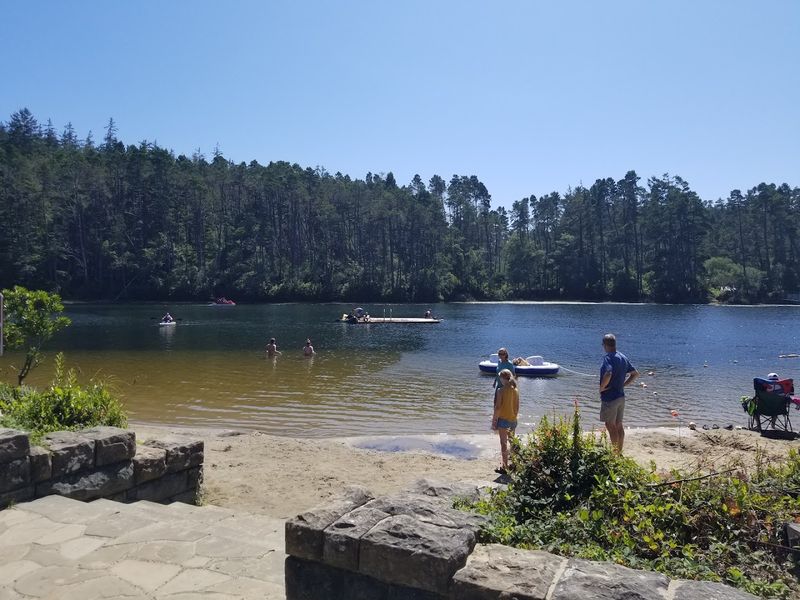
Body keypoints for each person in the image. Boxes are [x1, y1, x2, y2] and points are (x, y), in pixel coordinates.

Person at [599, 333, 639, 453]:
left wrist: (602, 387)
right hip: (621, 397)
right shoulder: (623, 357)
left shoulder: (608, 358)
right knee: (618, 425)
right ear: (614, 344)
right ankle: (619, 452)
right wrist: (624, 384)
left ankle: (615, 453)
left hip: (610, 398)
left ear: (605, 345)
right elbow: (635, 373)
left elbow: (608, 373)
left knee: (610, 426)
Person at [492, 369, 519, 475]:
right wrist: (513, 417)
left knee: (503, 443)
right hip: (513, 419)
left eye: (500, 378)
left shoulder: (500, 391)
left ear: (503, 379)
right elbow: (517, 408)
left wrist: (494, 421)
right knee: (512, 442)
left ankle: (505, 467)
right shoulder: (515, 390)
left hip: (503, 420)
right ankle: (515, 464)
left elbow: (498, 407)